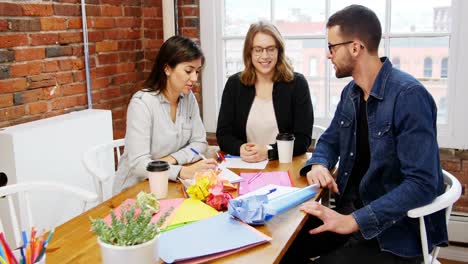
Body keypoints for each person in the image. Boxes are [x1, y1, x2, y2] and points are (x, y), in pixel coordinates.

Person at [281, 5, 447, 264]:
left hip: (393, 234)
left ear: (355, 47)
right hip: (351, 214)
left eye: (332, 47)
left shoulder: (408, 96)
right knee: (285, 244)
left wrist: (354, 221)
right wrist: (319, 163)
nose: (329, 55)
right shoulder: (352, 93)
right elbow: (330, 139)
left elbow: (422, 184)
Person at [114, 36, 217, 193]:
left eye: (197, 71)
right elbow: (139, 165)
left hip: (171, 183)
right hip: (137, 189)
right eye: (188, 71)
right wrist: (182, 171)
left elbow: (200, 144)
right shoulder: (142, 103)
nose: (195, 78)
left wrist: (171, 160)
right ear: (167, 68)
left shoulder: (188, 98)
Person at [216, 21, 314, 162]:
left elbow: (303, 140)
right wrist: (240, 148)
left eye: (270, 49)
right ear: (249, 52)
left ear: (279, 51)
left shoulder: (297, 84)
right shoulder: (234, 84)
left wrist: (269, 151)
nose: (265, 56)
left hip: (283, 165)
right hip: (244, 165)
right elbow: (223, 135)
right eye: (258, 49)